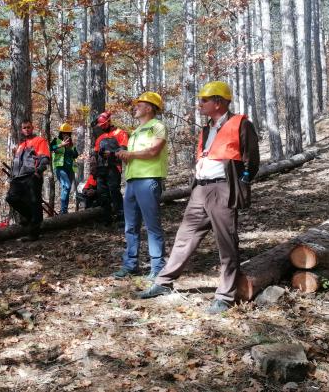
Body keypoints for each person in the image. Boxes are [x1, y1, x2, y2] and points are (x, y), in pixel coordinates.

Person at [138, 81, 260, 314]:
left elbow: (251, 160)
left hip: (223, 188)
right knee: (185, 237)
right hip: (200, 190)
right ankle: (163, 282)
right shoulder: (206, 129)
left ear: (219, 102)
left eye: (204, 100)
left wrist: (242, 183)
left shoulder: (240, 123)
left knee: (226, 242)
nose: (200, 104)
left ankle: (225, 296)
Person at [114, 92, 169, 280]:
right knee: (130, 226)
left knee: (152, 226)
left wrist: (130, 154)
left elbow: (154, 151)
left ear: (150, 107)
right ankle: (130, 265)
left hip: (148, 180)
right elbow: (135, 156)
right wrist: (123, 154)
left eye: (140, 104)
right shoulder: (135, 131)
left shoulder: (158, 126)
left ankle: (158, 267)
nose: (135, 106)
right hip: (131, 182)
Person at [6, 120, 51, 241]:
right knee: (11, 197)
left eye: (28, 127)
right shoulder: (21, 145)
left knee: (34, 203)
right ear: (22, 130)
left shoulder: (39, 141)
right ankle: (31, 216)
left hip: (32, 175)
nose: (26, 129)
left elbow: (45, 158)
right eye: (24, 128)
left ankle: (34, 234)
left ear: (32, 127)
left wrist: (39, 171)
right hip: (18, 178)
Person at [94, 111, 129, 224]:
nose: (102, 127)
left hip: (114, 167)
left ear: (109, 121)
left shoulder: (120, 133)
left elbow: (124, 150)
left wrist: (112, 154)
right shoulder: (100, 137)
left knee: (114, 191)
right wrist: (93, 164)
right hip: (101, 169)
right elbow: (95, 153)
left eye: (104, 124)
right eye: (101, 125)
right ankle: (107, 218)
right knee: (102, 193)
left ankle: (121, 216)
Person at [50, 122, 79, 214]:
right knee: (67, 186)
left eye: (67, 133)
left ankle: (64, 210)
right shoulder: (56, 140)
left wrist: (69, 148)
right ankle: (63, 210)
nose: (65, 135)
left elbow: (76, 155)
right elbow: (50, 148)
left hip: (70, 169)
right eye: (63, 133)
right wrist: (61, 145)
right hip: (60, 168)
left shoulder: (71, 144)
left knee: (67, 188)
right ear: (60, 133)